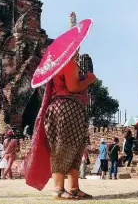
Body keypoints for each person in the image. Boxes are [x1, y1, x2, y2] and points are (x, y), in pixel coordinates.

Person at [22, 49, 96, 200]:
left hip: (64, 108)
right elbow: (73, 87)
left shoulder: (59, 64)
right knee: (63, 147)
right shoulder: (69, 64)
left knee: (75, 148)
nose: (78, 50)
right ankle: (58, 188)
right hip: (66, 108)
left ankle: (74, 187)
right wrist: (88, 80)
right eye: (76, 48)